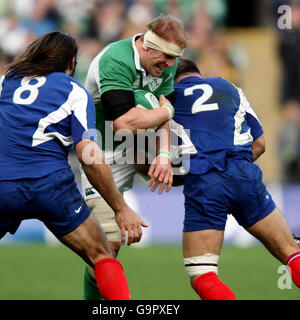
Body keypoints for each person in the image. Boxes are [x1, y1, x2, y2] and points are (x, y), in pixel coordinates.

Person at [0, 31, 148, 300]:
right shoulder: (76, 92)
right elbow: (87, 152)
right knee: (101, 256)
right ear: (72, 62)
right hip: (52, 187)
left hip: (2, 187)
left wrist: (20, 72)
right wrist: (120, 207)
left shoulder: (9, 82)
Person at [170, 58, 300, 300]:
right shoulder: (230, 88)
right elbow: (260, 144)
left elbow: (155, 157)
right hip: (243, 173)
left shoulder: (167, 98)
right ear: (200, 74)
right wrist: (234, 171)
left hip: (204, 180)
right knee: (291, 251)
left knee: (202, 274)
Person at [80, 14, 188, 299]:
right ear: (148, 46)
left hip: (139, 144)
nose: (169, 65)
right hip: (101, 151)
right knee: (108, 246)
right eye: (165, 57)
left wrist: (164, 155)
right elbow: (124, 122)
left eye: (174, 59)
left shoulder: (165, 62)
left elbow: (163, 112)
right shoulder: (116, 59)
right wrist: (166, 111)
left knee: (185, 165)